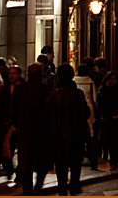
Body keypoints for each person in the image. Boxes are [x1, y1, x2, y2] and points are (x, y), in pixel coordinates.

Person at [46, 63, 90, 196]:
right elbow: (86, 113)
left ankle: (62, 190)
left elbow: (48, 116)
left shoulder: (53, 95)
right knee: (75, 165)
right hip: (76, 135)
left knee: (61, 166)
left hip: (58, 136)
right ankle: (74, 187)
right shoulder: (78, 94)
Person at [10, 63, 52, 195]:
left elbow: (14, 110)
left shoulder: (20, 89)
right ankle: (37, 186)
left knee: (26, 162)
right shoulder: (45, 89)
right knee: (41, 162)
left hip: (25, 130)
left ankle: (28, 189)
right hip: (41, 131)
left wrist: (16, 124)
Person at [0, 64, 24, 179]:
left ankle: (20, 171)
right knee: (6, 146)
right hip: (7, 122)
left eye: (14, 73)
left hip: (20, 123)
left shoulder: (23, 87)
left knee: (21, 148)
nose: (11, 76)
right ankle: (9, 168)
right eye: (9, 73)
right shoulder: (5, 88)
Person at [74, 63, 99, 168]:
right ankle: (90, 156)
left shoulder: (74, 81)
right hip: (89, 108)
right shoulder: (90, 82)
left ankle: (78, 155)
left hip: (76, 109)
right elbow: (95, 99)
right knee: (90, 133)